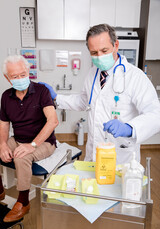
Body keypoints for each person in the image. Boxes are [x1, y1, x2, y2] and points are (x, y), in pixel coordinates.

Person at [39, 23, 160, 164]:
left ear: (116, 45)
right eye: (94, 53)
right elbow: (84, 101)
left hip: (120, 157)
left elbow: (156, 115)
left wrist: (130, 128)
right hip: (94, 152)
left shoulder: (135, 77)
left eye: (104, 50)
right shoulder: (92, 73)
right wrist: (57, 98)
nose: (99, 57)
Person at [0, 55, 59, 222]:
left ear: (29, 72)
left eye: (22, 74)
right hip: (18, 138)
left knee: (22, 156)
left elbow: (53, 121)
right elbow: (4, 124)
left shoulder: (41, 91)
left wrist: (32, 145)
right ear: (7, 78)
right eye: (14, 76)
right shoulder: (6, 96)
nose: (20, 79)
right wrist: (3, 144)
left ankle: (23, 202)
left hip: (44, 142)